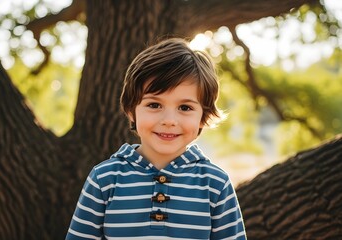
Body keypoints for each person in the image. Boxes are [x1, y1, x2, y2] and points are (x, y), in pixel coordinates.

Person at [66, 38, 246, 239]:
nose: (169, 120)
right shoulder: (104, 179)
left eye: (185, 108)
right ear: (131, 111)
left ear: (203, 117)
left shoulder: (215, 183)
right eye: (154, 105)